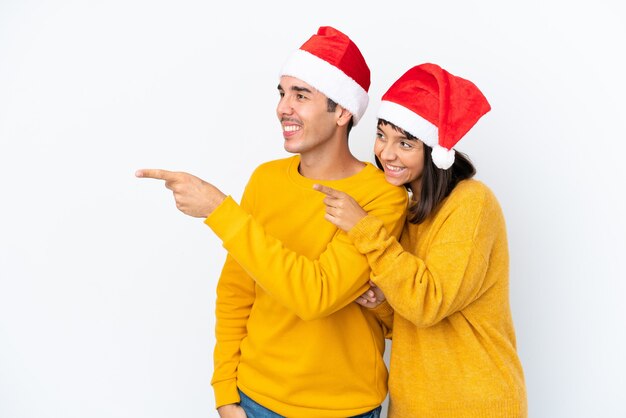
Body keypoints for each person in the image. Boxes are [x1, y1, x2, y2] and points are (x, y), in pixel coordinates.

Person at [136, 26, 407, 417]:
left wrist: (219, 209)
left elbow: (316, 295)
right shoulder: (265, 178)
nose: (284, 108)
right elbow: (236, 292)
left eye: (302, 95)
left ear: (342, 112)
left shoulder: (383, 196)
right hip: (254, 400)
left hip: (346, 408)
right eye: (282, 93)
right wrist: (225, 393)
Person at [314, 63, 528, 417]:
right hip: (414, 406)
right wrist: (381, 302)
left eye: (405, 143)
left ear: (434, 151)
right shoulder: (408, 212)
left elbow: (427, 303)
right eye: (382, 135)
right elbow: (411, 324)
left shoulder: (471, 203)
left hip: (474, 406)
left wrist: (364, 228)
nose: (386, 153)